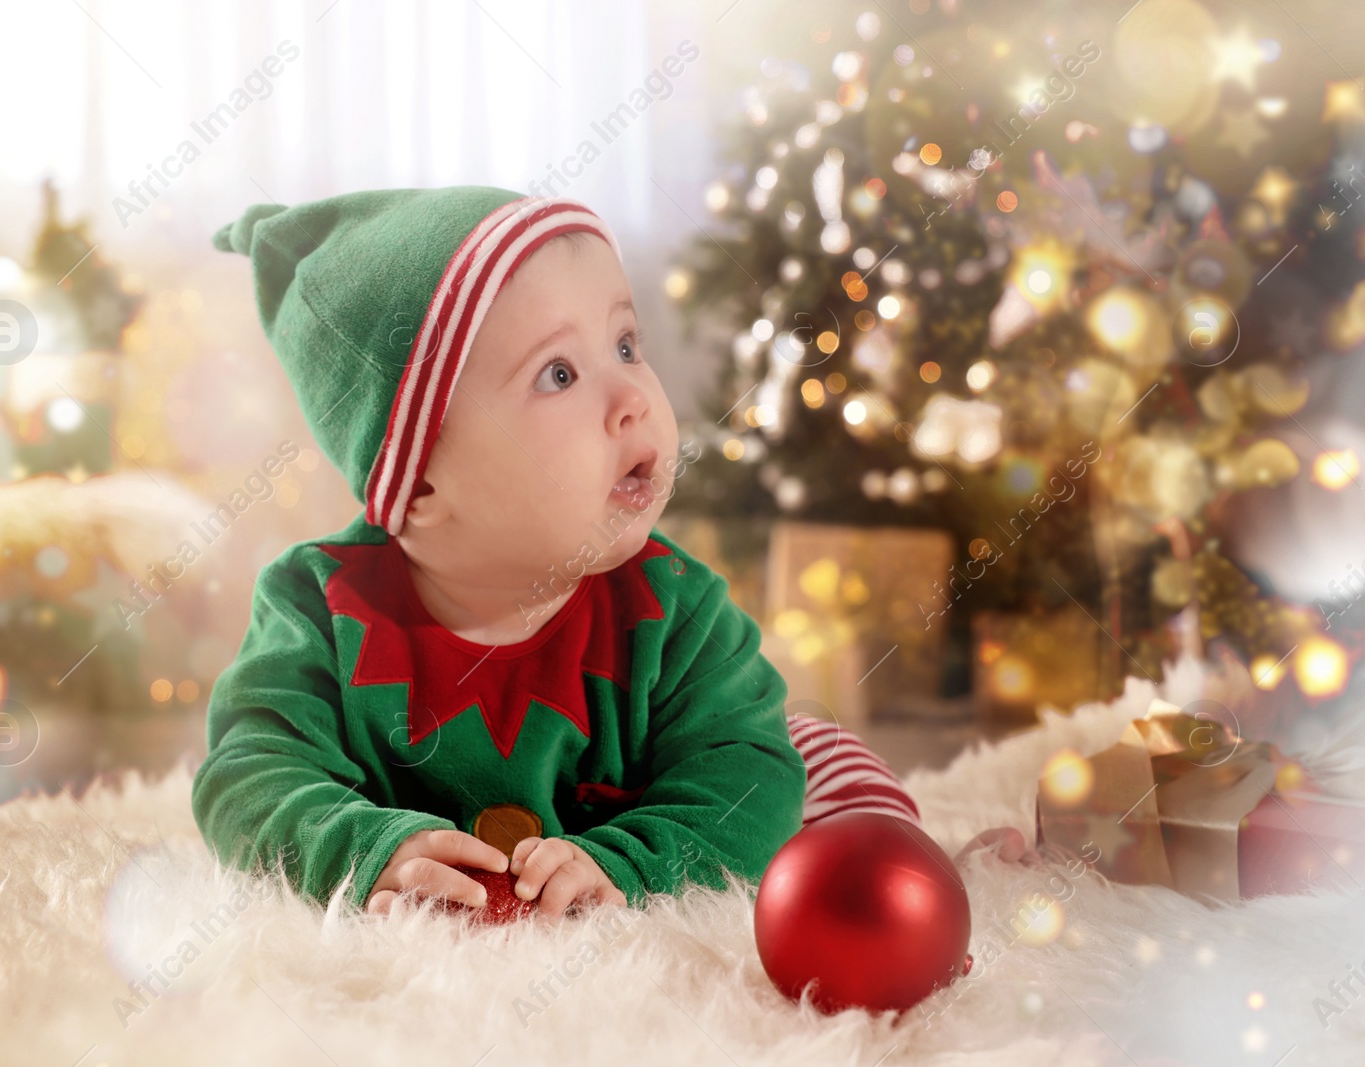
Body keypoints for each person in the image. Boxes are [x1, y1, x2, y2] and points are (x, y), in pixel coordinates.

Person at [191, 188, 1027, 924]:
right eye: (558, 373)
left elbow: (743, 780)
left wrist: (632, 861)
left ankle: (932, 872)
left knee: (810, 768)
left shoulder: (673, 606)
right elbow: (248, 772)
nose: (632, 399)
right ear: (418, 490)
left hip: (687, 788)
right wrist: (364, 847)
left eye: (625, 345)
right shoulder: (319, 604)